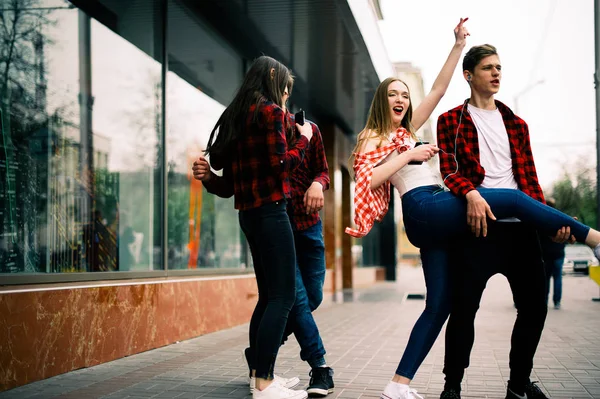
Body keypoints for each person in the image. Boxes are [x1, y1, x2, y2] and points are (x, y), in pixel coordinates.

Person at [344, 24, 600, 399]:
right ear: (381, 102)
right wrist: (409, 154)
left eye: (403, 95)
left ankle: (398, 384)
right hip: (423, 206)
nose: (400, 100)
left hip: (435, 218)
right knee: (507, 199)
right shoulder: (376, 136)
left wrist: (457, 45)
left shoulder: (407, 130)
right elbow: (365, 181)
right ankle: (593, 237)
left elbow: (438, 89)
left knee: (440, 304)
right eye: (392, 95)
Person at [435, 44, 581, 399]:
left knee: (534, 307)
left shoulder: (517, 124)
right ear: (469, 75)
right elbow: (449, 171)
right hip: (477, 227)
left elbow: (529, 181)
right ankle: (452, 385)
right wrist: (470, 193)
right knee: (464, 308)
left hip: (522, 229)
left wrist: (547, 221)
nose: (496, 73)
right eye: (488, 68)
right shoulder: (450, 121)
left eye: (499, 67)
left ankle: (518, 385)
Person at [193, 114, 335, 397]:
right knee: (294, 297)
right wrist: (209, 177)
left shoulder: (309, 130)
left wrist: (318, 184)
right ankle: (320, 368)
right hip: (278, 228)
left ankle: (259, 356)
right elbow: (232, 186)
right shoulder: (255, 136)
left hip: (310, 226)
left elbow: (323, 171)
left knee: (312, 297)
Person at [200, 55, 312, 399]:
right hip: (271, 213)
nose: (285, 95)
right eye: (285, 86)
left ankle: (258, 375)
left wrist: (208, 180)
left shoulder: (237, 116)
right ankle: (264, 382)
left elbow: (229, 184)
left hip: (248, 215)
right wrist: (303, 140)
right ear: (274, 75)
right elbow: (280, 166)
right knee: (283, 297)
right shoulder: (270, 113)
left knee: (268, 296)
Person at [542, 198, 566, 310]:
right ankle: (557, 302)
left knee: (545, 279)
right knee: (557, 278)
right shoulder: (560, 218)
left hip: (546, 255)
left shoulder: (543, 219)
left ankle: (545, 300)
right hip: (559, 254)